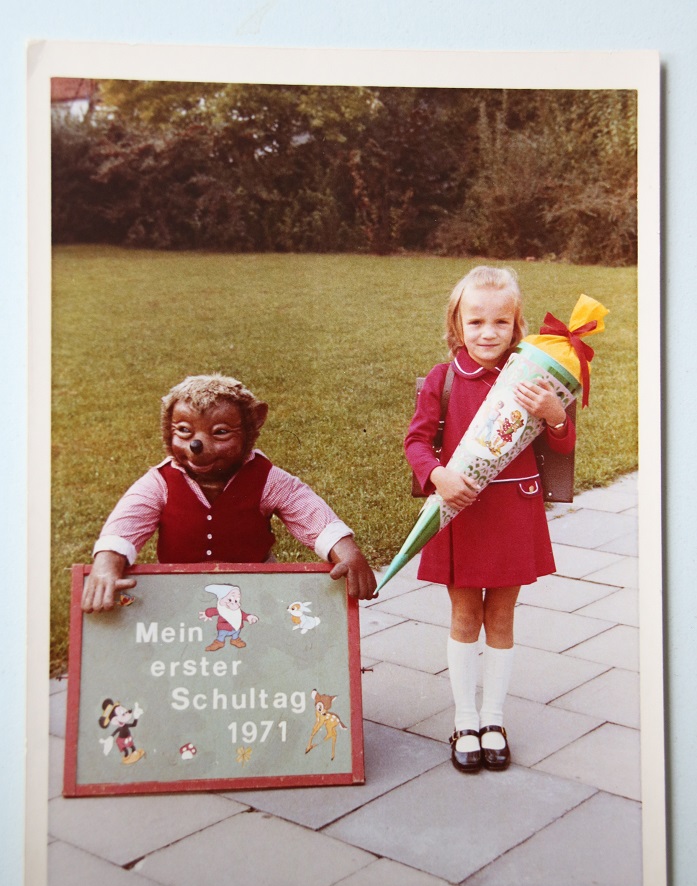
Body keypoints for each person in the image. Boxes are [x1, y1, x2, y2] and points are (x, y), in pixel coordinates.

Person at [405, 266, 575, 774]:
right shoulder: (444, 380)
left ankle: (494, 719)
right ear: (456, 324)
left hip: (513, 513)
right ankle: (464, 718)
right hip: (462, 513)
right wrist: (436, 476)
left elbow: (560, 447)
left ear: (516, 325)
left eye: (501, 322)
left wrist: (554, 413)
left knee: (501, 617)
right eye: (475, 321)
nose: (487, 333)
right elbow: (416, 442)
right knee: (464, 616)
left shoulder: (532, 379)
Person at [82, 373, 376, 612]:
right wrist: (107, 563)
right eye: (184, 431)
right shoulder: (161, 481)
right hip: (178, 591)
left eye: (220, 432)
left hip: (254, 589)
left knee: (258, 649)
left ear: (250, 427)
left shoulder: (265, 478)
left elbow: (307, 510)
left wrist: (346, 551)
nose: (196, 445)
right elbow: (128, 519)